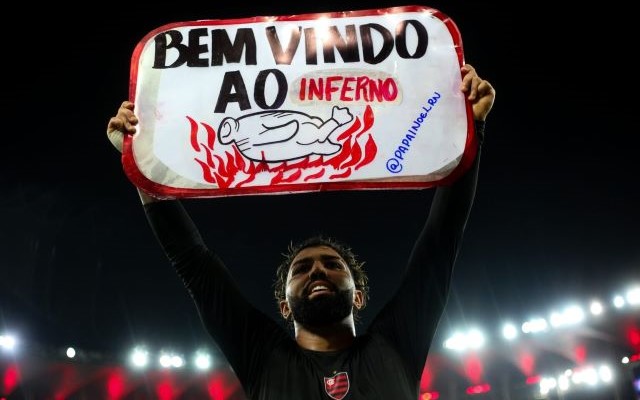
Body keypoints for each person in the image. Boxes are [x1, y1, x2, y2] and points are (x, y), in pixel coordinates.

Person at [106, 63, 495, 399]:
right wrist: (143, 163)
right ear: (283, 304)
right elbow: (193, 262)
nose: (317, 271)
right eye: (303, 269)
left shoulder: (396, 343)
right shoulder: (260, 353)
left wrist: (470, 126)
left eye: (331, 264)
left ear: (359, 296)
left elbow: (441, 240)